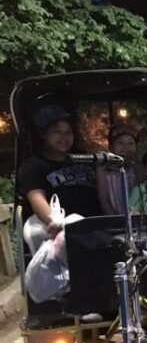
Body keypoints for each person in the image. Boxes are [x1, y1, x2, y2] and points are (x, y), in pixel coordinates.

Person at [19, 104, 102, 255]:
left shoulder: (85, 158)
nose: (64, 137)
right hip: (63, 228)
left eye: (68, 132)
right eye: (56, 132)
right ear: (44, 134)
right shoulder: (33, 165)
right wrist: (54, 222)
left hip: (96, 225)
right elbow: (36, 198)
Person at [97, 122, 143, 215]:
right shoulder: (103, 169)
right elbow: (104, 200)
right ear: (111, 147)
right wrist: (117, 220)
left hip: (136, 218)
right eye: (120, 142)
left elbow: (142, 196)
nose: (125, 147)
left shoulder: (137, 168)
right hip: (114, 218)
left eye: (130, 143)